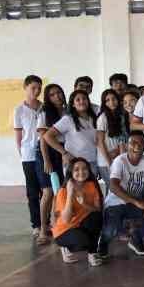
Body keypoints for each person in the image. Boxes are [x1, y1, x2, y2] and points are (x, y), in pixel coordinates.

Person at [97, 131, 144, 258]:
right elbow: (113, 186)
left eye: (141, 143)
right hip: (115, 204)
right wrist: (137, 202)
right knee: (112, 230)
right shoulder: (119, 160)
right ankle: (103, 242)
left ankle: (135, 239)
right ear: (127, 146)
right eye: (133, 142)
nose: (137, 146)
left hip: (134, 204)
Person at [53, 158, 104, 267]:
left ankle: (92, 253)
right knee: (83, 242)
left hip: (81, 223)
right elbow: (66, 220)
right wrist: (71, 194)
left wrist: (84, 203)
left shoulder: (91, 185)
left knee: (97, 217)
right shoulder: (63, 192)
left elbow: (98, 209)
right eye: (76, 169)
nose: (81, 172)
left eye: (84, 168)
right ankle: (66, 247)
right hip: (64, 230)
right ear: (70, 172)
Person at [34, 83, 67, 245]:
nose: (57, 96)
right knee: (48, 192)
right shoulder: (45, 113)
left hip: (62, 152)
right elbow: (43, 139)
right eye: (53, 94)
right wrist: (47, 160)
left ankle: (57, 226)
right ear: (48, 98)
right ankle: (42, 229)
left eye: (59, 93)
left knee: (59, 191)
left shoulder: (68, 112)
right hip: (47, 153)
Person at [43, 89, 99, 176]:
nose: (82, 101)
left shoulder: (95, 119)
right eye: (78, 100)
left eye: (84, 99)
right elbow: (47, 136)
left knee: (91, 189)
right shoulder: (68, 119)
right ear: (73, 104)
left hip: (92, 163)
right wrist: (64, 153)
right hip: (74, 164)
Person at [14, 75, 43, 238]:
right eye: (33, 88)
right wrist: (22, 153)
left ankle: (46, 222)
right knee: (32, 192)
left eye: (39, 88)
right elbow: (18, 136)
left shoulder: (44, 108)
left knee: (46, 191)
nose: (37, 91)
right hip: (28, 156)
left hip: (44, 154)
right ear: (25, 87)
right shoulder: (19, 110)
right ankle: (36, 225)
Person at [96, 89, 127, 195]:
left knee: (119, 189)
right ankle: (107, 211)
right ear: (104, 103)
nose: (111, 102)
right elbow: (100, 142)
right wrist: (109, 162)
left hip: (118, 158)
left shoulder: (120, 116)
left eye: (114, 99)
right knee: (113, 191)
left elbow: (121, 140)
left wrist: (120, 155)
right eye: (107, 100)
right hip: (105, 161)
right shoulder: (103, 117)